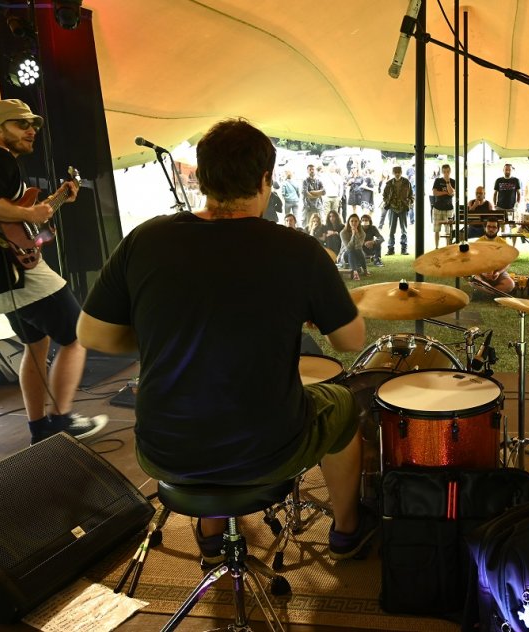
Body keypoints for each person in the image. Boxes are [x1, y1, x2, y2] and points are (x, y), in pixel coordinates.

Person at [77, 118, 375, 562]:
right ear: (265, 179)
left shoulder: (145, 238)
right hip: (267, 452)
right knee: (343, 404)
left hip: (163, 449)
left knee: (209, 413)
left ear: (202, 176)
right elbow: (350, 339)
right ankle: (347, 531)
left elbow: (91, 333)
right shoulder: (298, 250)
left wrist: (166, 334)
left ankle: (212, 532)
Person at [0, 98, 108, 445]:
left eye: (33, 125)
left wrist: (54, 203)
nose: (31, 131)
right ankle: (62, 420)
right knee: (77, 338)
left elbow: (11, 218)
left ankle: (39, 427)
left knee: (35, 345)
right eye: (21, 124)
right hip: (19, 272)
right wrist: (32, 215)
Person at [475, 219, 515, 294]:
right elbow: (474, 263)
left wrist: (498, 272)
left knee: (510, 284)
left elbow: (507, 263)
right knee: (475, 281)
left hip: (498, 272)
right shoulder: (478, 243)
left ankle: (487, 292)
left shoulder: (503, 243)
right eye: (489, 226)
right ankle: (494, 293)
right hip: (480, 272)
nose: (491, 229)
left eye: (494, 227)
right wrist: (483, 273)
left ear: (498, 229)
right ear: (485, 228)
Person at [382, 165, 412, 256]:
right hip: (392, 208)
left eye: (399, 172)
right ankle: (390, 249)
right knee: (391, 230)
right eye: (395, 173)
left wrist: (408, 202)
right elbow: (384, 195)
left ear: (401, 173)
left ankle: (404, 249)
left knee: (404, 230)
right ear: (393, 173)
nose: (397, 174)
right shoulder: (389, 183)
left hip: (403, 208)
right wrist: (388, 202)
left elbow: (411, 195)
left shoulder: (407, 182)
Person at [431, 164, 455, 248]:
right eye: (444, 172)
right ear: (442, 172)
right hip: (437, 208)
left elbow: (451, 193)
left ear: (450, 171)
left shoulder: (453, 181)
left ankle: (448, 247)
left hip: (449, 209)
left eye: (447, 171)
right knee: (436, 230)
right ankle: (436, 247)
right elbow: (435, 193)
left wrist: (448, 182)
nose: (446, 173)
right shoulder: (438, 180)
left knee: (448, 231)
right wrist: (445, 192)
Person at [340, 213, 367, 280]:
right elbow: (348, 248)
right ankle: (355, 273)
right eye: (351, 221)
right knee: (351, 251)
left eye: (356, 221)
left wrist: (356, 234)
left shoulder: (362, 233)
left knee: (358, 250)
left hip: (358, 254)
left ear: (359, 222)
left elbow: (359, 247)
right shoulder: (343, 232)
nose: (354, 223)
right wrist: (353, 235)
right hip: (346, 254)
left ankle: (365, 270)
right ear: (348, 222)